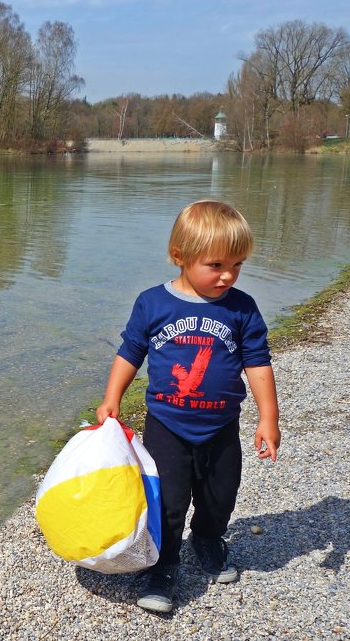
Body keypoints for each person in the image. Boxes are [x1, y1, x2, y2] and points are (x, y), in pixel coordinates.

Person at [96, 200, 280, 614]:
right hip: (167, 424)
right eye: (215, 265)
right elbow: (131, 352)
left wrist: (269, 418)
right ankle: (163, 565)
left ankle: (208, 538)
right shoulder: (153, 303)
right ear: (180, 257)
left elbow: (258, 362)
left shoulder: (241, 307)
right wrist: (112, 399)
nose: (228, 275)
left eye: (237, 264)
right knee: (168, 500)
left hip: (221, 425)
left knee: (220, 496)